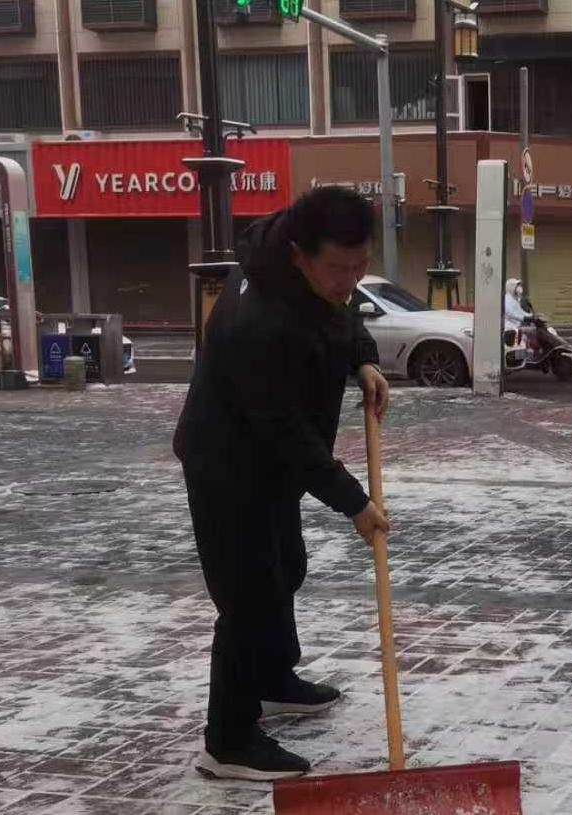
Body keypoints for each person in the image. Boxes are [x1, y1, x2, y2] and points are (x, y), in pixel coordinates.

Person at [173, 186, 392, 781]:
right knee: (247, 598)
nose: (349, 280)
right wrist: (354, 502)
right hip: (229, 464)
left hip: (270, 464)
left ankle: (272, 678)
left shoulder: (307, 280)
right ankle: (229, 741)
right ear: (299, 253)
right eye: (338, 268)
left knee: (284, 568)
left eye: (360, 266)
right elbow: (283, 431)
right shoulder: (259, 320)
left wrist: (364, 358)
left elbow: (341, 319)